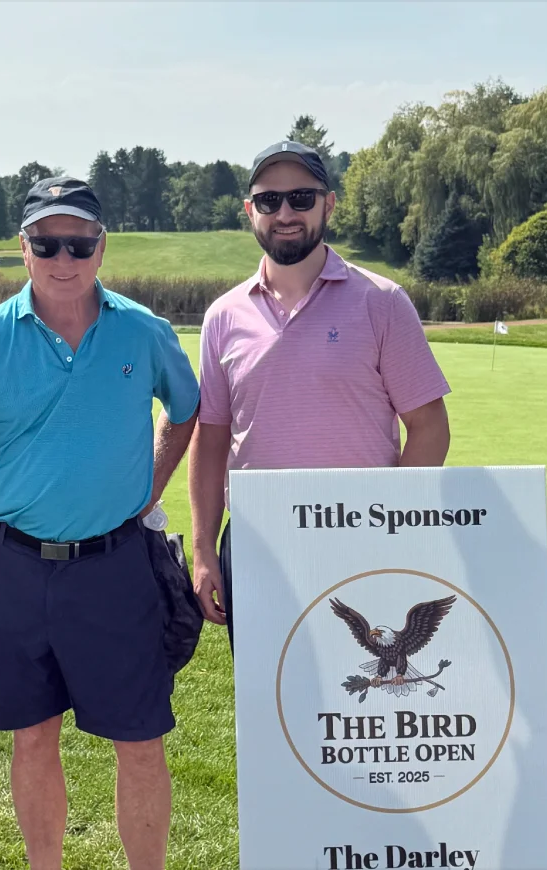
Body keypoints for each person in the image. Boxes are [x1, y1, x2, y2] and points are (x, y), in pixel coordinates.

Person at [0, 177, 200, 870]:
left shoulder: (143, 330)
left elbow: (186, 410)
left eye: (78, 243)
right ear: (25, 248)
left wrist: (149, 487)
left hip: (116, 566)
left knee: (140, 739)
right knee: (33, 735)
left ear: (100, 247)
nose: (63, 258)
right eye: (48, 243)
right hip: (11, 567)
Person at [189, 140, 452, 650]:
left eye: (301, 198)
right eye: (269, 201)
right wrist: (203, 549)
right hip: (256, 545)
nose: (285, 213)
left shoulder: (382, 301)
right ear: (251, 212)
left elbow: (430, 428)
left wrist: (388, 526)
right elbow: (213, 436)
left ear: (328, 204)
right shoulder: (223, 315)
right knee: (271, 712)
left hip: (360, 541)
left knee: (354, 707)